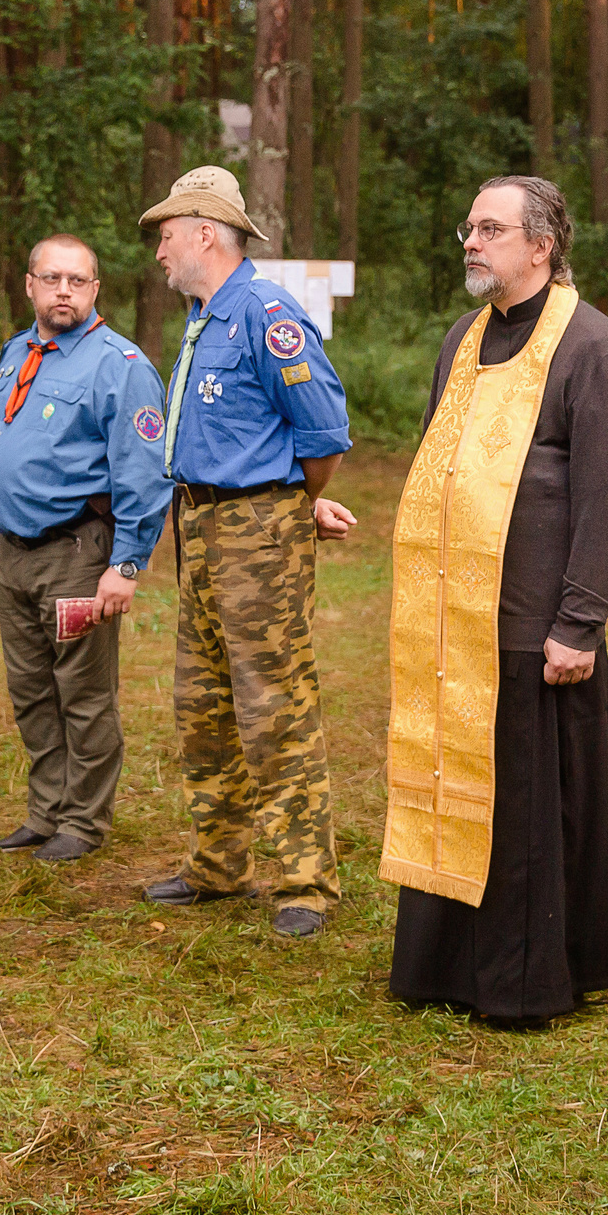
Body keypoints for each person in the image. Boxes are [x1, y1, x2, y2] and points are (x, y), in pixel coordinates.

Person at [381, 176, 608, 1026]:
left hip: (536, 625)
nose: (471, 240)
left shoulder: (590, 345)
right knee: (449, 782)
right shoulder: (462, 338)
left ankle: (524, 980)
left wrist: (580, 622)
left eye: (491, 228)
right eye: (469, 227)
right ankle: (443, 965)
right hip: (451, 620)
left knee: (527, 808)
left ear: (541, 246)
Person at [134, 166, 356, 939]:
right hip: (198, 526)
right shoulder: (205, 318)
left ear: (205, 232)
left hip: (254, 531)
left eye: (166, 235)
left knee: (273, 704)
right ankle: (219, 862)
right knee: (203, 705)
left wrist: (286, 502)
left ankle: (305, 881)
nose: (159, 251)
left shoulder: (266, 314)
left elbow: (324, 434)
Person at [0, 234, 172, 864]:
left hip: (77, 554)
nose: (64, 292)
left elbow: (143, 474)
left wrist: (124, 564)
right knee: (30, 691)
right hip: (15, 554)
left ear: (95, 290)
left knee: (82, 694)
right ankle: (45, 810)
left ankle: (82, 820)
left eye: (77, 281)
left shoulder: (121, 365)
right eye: (52, 279)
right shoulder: (15, 353)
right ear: (30, 285)